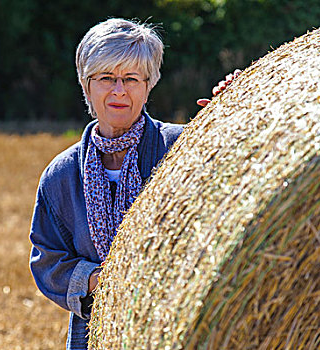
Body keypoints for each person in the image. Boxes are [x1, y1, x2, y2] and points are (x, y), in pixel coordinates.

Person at [29, 18, 239, 350]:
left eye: (131, 79)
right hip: (98, 335)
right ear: (86, 85)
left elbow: (235, 194)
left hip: (180, 329)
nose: (118, 91)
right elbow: (48, 259)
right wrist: (106, 279)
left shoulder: (182, 148)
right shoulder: (62, 175)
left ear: (148, 84)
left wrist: (232, 117)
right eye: (106, 78)